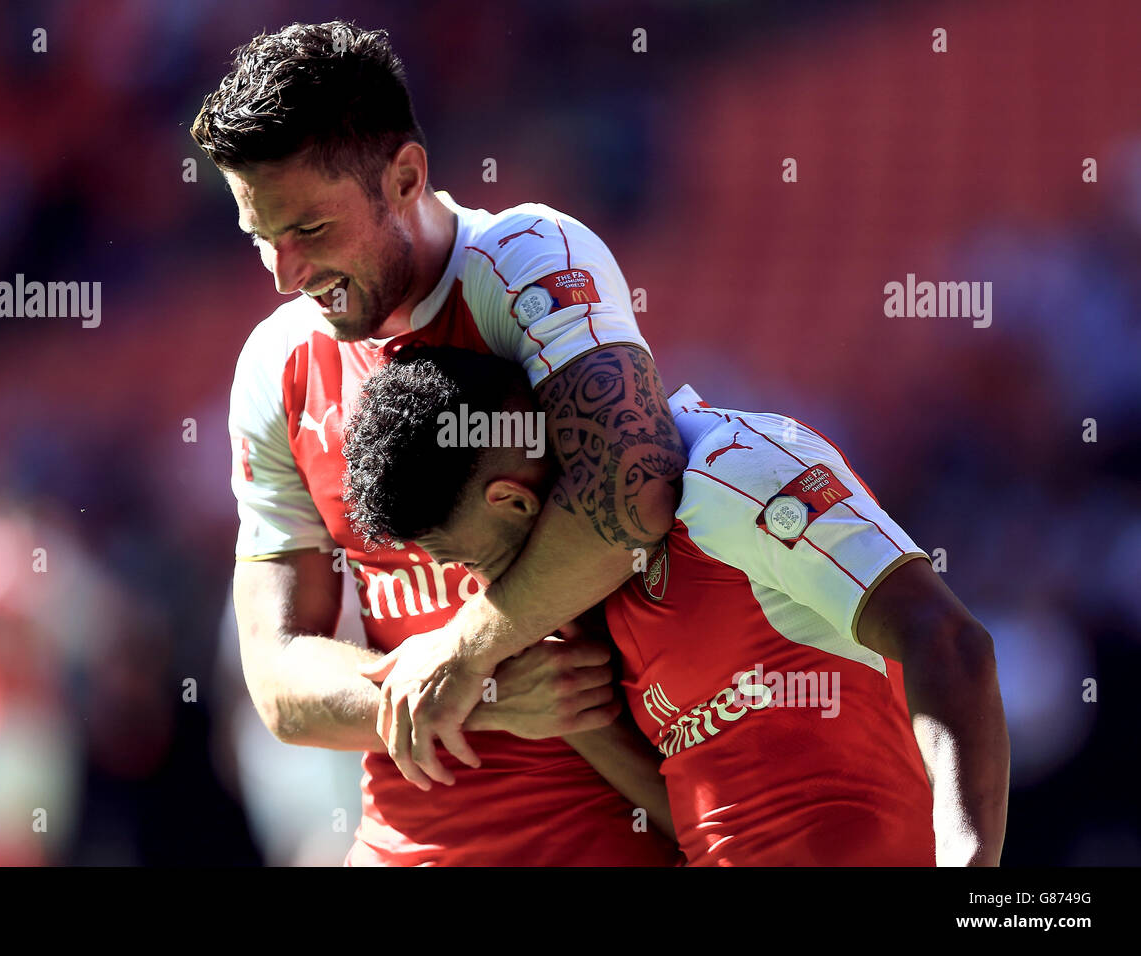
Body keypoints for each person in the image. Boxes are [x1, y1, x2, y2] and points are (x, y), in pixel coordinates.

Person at [192, 21, 687, 864]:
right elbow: (276, 686)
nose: (283, 276)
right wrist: (484, 688)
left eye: (308, 231)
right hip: (403, 845)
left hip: (619, 831)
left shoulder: (528, 263)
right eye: (258, 238)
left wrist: (464, 648)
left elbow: (634, 483)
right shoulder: (277, 365)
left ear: (407, 176)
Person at [342, 345, 1011, 866]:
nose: (478, 589)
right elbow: (704, 818)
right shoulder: (582, 604)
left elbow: (949, 643)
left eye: (465, 561)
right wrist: (575, 722)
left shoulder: (732, 473)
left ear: (512, 501)